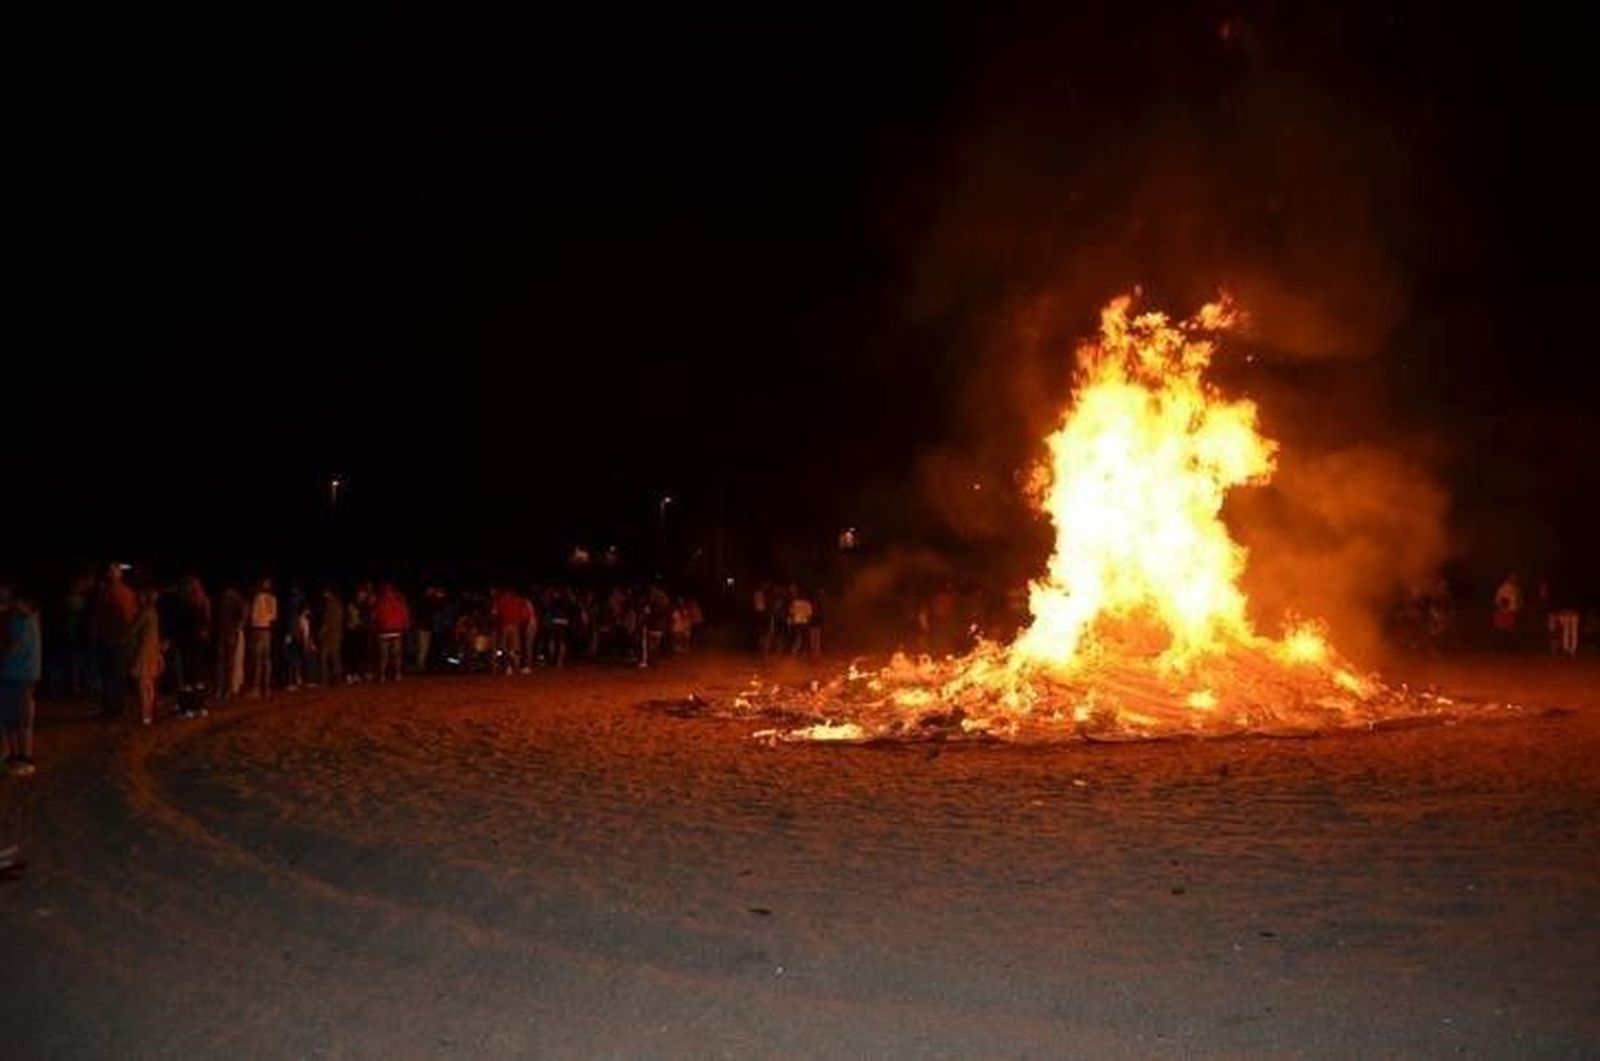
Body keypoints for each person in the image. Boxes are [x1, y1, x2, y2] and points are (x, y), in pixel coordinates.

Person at [0, 587, 42, 775]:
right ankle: (16, 757)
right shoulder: (20, 618)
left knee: (22, 719)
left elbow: (15, 647)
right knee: (12, 718)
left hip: (21, 676)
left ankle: (25, 758)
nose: (15, 604)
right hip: (15, 675)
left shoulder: (26, 620)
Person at [89, 563, 137, 717]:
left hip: (115, 640)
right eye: (110, 570)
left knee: (114, 675)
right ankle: (113, 707)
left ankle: (116, 707)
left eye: (113, 570)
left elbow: (129, 616)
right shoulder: (109, 591)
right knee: (111, 674)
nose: (110, 573)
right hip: (112, 639)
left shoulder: (119, 592)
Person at [127, 587, 164, 725]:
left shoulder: (146, 612)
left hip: (144, 651)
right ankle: (148, 713)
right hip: (151, 650)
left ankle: (146, 714)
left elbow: (132, 630)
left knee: (144, 684)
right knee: (149, 683)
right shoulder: (153, 612)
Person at [172, 575, 212, 693]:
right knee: (186, 658)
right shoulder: (185, 598)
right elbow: (181, 617)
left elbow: (207, 617)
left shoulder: (204, 599)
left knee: (197, 658)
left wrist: (205, 630)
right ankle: (187, 682)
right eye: (191, 583)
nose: (193, 586)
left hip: (198, 632)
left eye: (195, 583)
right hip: (186, 632)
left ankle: (197, 681)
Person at [214, 586, 246, 700]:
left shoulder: (235, 600)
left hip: (229, 632)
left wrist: (238, 626)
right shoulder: (229, 600)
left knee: (227, 662)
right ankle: (222, 688)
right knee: (224, 662)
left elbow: (242, 614)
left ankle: (225, 689)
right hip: (225, 632)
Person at [372, 583, 410, 682]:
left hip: (383, 631)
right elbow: (404, 614)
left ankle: (382, 675)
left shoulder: (379, 602)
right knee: (396, 655)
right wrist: (405, 626)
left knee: (383, 655)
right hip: (397, 631)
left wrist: (374, 628)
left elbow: (374, 616)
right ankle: (397, 674)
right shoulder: (399, 601)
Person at [247, 577, 277, 697]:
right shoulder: (273, 599)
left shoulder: (258, 597)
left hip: (258, 629)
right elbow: (274, 616)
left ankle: (256, 689)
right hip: (268, 630)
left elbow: (254, 615)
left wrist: (253, 623)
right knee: (266, 660)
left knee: (258, 660)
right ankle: (267, 689)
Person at [318, 589, 344, 685]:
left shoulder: (329, 604)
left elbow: (327, 620)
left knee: (324, 656)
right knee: (335, 656)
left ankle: (324, 678)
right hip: (337, 633)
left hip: (329, 634)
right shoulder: (338, 604)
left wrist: (322, 631)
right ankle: (337, 677)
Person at [1492, 573, 1522, 652]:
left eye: (1516, 577)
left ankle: (1510, 647)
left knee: (1511, 629)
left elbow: (1518, 600)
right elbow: (1501, 600)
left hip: (1513, 611)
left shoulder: (1516, 588)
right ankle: (1504, 647)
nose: (1515, 579)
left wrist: (1519, 606)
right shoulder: (1504, 588)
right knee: (1505, 630)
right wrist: (1505, 608)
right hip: (1507, 611)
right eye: (1513, 577)